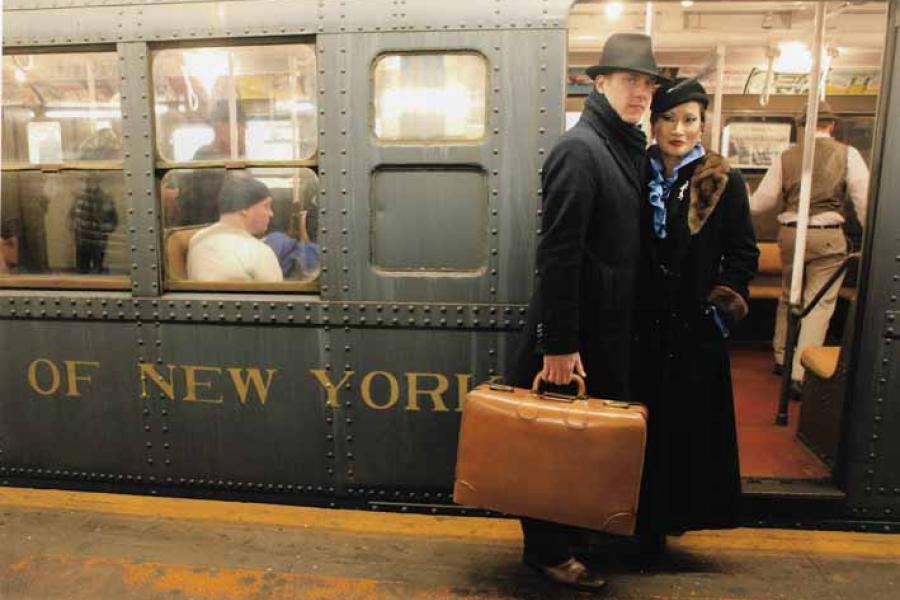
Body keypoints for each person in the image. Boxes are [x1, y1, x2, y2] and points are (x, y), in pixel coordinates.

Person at [506, 33, 667, 592]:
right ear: (599, 83)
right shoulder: (581, 149)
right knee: (555, 446)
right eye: (629, 80)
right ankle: (546, 551)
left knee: (579, 445)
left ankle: (571, 538)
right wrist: (557, 344)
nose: (640, 92)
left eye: (647, 84)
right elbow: (559, 253)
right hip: (575, 335)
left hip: (606, 328)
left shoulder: (620, 145)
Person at [634, 79, 759, 550]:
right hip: (641, 327)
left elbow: (742, 253)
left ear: (703, 124)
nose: (678, 129)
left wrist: (718, 314)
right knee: (641, 427)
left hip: (693, 330)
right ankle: (637, 519)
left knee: (684, 429)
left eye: (689, 119)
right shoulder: (635, 170)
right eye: (668, 118)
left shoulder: (722, 179)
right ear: (654, 123)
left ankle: (667, 525)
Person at [750, 105, 869, 391]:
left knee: (789, 295)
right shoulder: (848, 154)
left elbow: (761, 203)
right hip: (827, 237)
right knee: (819, 303)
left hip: (790, 234)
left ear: (802, 127)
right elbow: (864, 201)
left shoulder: (786, 156)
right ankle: (800, 373)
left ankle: (781, 356)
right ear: (832, 126)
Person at [187, 175, 283, 282]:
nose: (271, 214)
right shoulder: (261, 252)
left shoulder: (196, 239)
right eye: (266, 206)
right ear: (243, 207)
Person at [178, 100, 248, 226]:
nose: (242, 133)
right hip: (208, 223)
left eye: (243, 128)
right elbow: (198, 200)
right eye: (238, 127)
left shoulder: (239, 157)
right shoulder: (204, 156)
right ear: (219, 127)